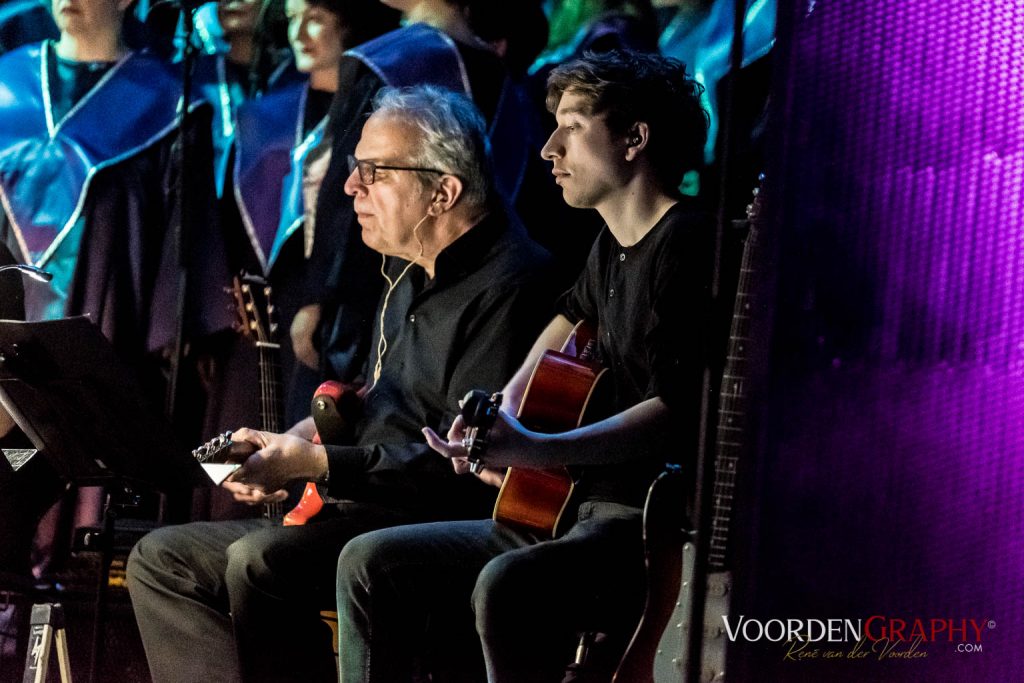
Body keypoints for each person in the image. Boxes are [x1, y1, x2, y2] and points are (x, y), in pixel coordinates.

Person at [126, 85, 555, 683]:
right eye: (355, 169)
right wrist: (293, 439)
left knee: (258, 561)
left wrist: (315, 463)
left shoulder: (514, 287)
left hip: (426, 517)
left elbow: (461, 466)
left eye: (373, 171)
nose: (351, 186)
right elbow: (385, 404)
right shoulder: (409, 275)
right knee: (160, 558)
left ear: (443, 192)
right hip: (357, 505)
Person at [335, 49, 713, 683]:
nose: (548, 149)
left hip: (639, 522)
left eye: (571, 125)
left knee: (506, 585)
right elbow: (567, 322)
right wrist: (496, 418)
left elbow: (674, 411)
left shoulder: (687, 242)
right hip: (577, 510)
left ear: (634, 140)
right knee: (370, 560)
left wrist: (538, 448)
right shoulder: (607, 248)